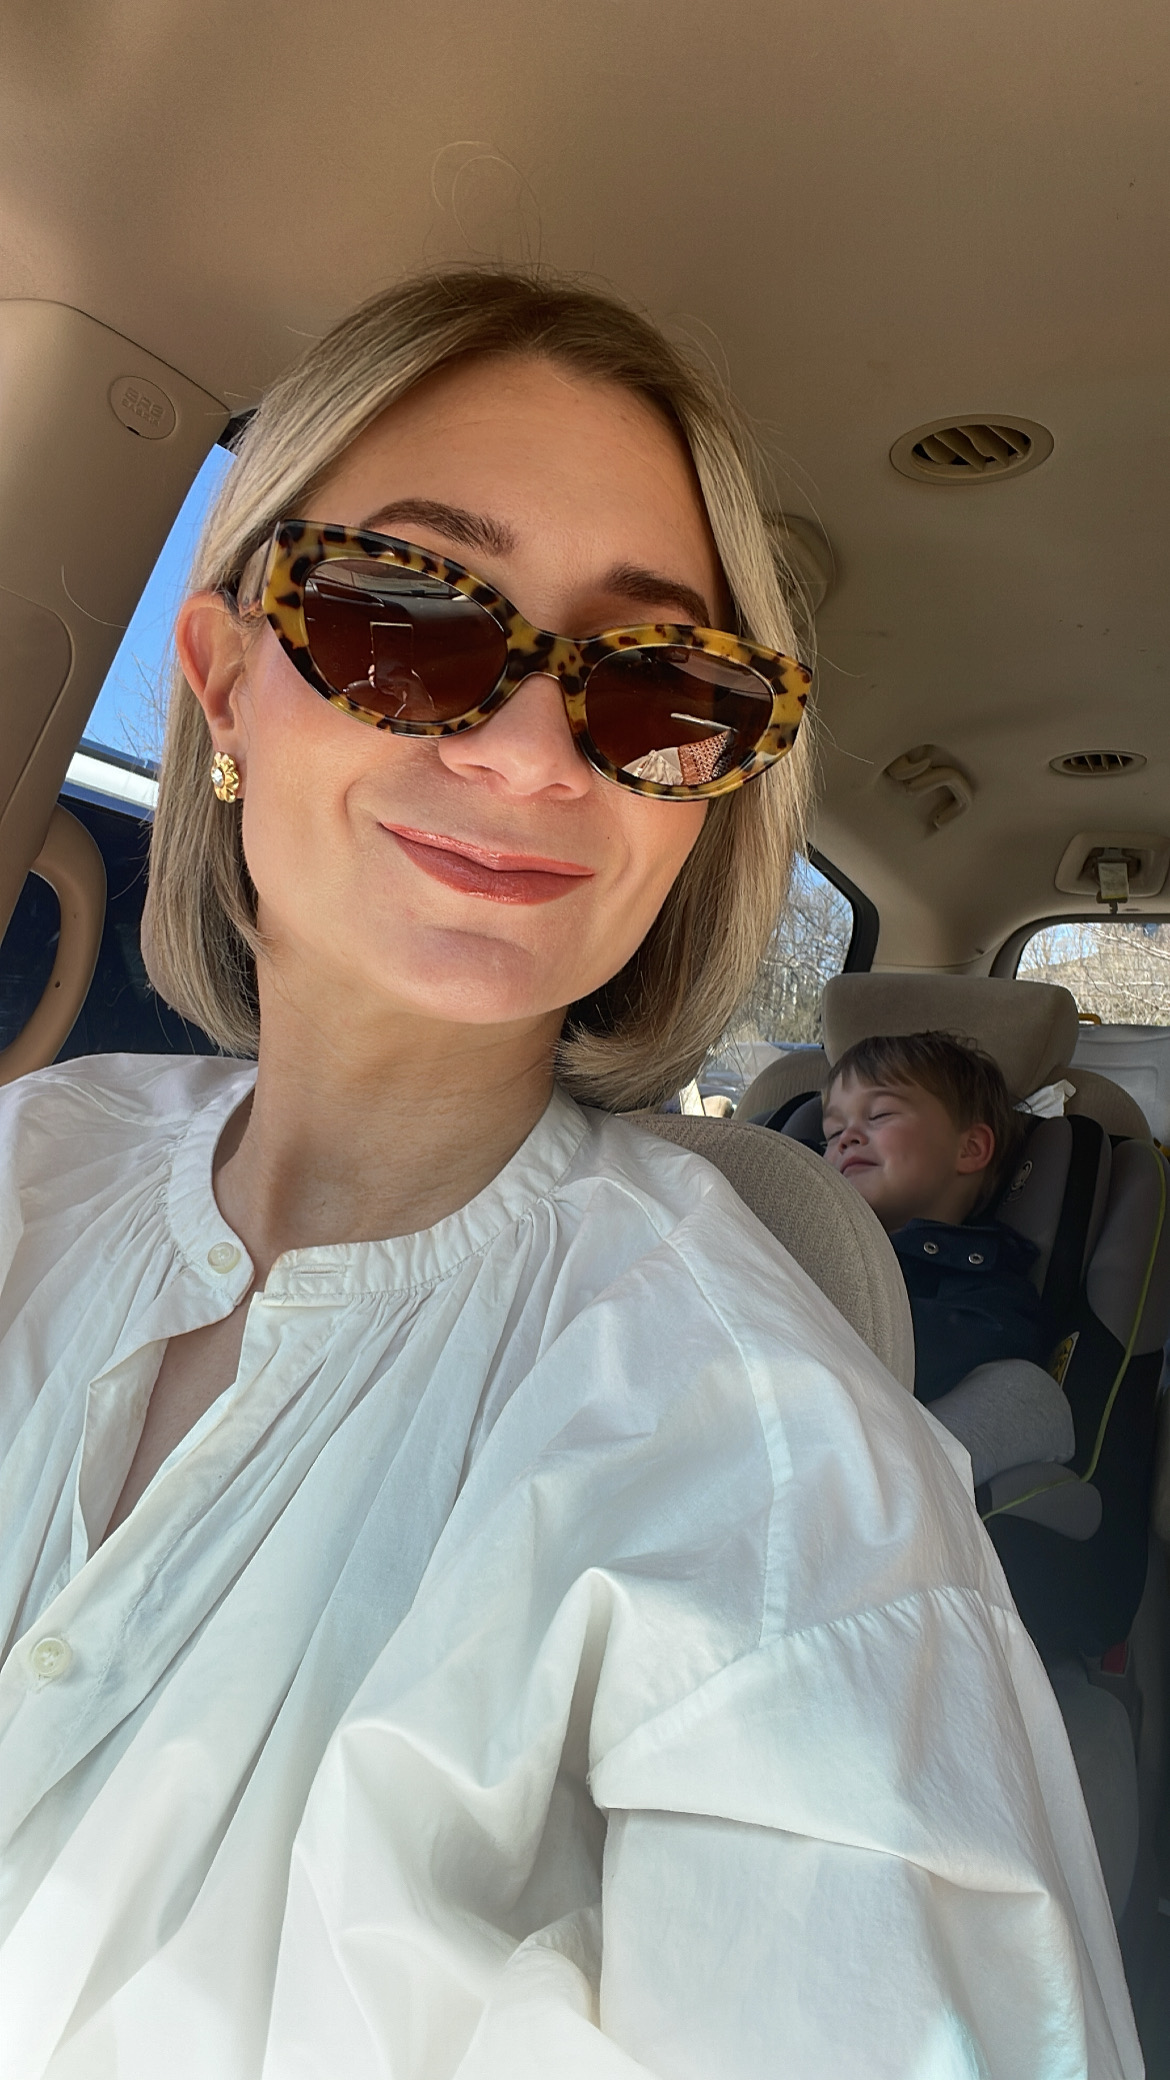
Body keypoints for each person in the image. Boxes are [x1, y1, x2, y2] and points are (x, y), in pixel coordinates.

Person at [0, 271, 1139, 2078]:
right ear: (221, 681)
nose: (532, 751)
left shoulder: (787, 1491)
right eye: (398, 615)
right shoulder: (25, 1160)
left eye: (663, 684)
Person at [821, 1030, 1078, 1489]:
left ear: (969, 1149)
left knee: (1025, 1392)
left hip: (864, 1450)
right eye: (833, 1132)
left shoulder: (987, 1283)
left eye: (879, 1115)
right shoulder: (799, 1234)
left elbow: (973, 1343)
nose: (847, 1139)